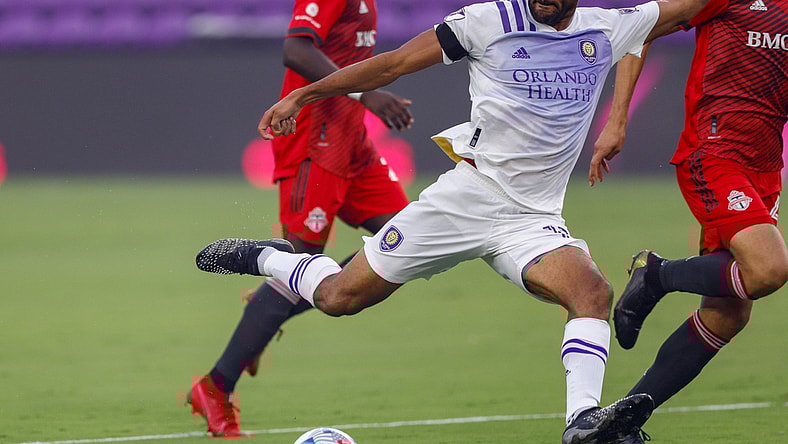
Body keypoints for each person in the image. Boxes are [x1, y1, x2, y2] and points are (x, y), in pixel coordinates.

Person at [196, 0, 713, 441]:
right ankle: (271, 257)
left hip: (532, 218)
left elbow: (686, 10)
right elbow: (394, 62)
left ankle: (580, 422)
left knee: (592, 293)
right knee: (338, 299)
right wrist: (303, 94)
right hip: (466, 200)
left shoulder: (607, 27)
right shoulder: (486, 21)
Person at [186, 0, 415, 437]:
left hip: (353, 142)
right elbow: (296, 48)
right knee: (299, 264)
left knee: (412, 241)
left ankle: (262, 315)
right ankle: (215, 388)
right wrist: (367, 93)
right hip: (314, 140)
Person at [590, 0, 788, 440]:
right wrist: (617, 119)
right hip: (714, 153)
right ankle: (657, 275)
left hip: (765, 167)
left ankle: (619, 423)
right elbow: (637, 30)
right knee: (768, 269)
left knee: (727, 313)